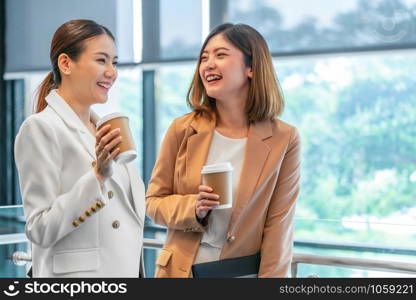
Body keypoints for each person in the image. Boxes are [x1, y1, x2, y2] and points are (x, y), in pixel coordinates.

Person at [146, 23, 301, 278]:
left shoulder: (284, 138)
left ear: (251, 67)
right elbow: (152, 203)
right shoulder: (182, 129)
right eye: (204, 57)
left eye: (220, 55)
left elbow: (278, 228)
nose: (208, 64)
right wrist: (192, 207)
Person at [14, 19, 145, 277]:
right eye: (101, 60)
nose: (112, 72)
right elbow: (40, 229)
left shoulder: (104, 129)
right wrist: (97, 177)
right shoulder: (41, 128)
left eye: (115, 62)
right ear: (66, 64)